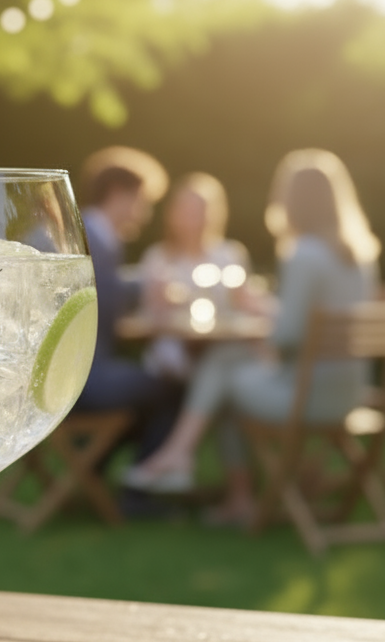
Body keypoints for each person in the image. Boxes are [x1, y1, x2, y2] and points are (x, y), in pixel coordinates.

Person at [123, 149, 381, 522]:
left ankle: (188, 462)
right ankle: (209, 479)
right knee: (228, 367)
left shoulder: (304, 254)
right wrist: (264, 312)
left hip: (303, 398)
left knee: (224, 374)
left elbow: (287, 337)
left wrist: (259, 310)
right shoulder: (360, 256)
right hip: (348, 395)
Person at [72, 147, 183, 479]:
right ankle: (140, 488)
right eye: (143, 201)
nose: (145, 213)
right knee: (173, 390)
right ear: (119, 195)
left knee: (150, 389)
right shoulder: (91, 237)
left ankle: (92, 468)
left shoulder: (93, 235)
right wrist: (146, 289)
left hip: (67, 373)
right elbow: (102, 305)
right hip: (81, 379)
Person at [138, 172, 252, 381]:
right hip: (173, 348)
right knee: (168, 359)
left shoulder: (230, 255)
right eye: (186, 211)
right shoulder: (157, 258)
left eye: (199, 211)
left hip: (222, 345)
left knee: (225, 361)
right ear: (172, 214)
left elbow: (243, 307)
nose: (193, 219)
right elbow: (149, 315)